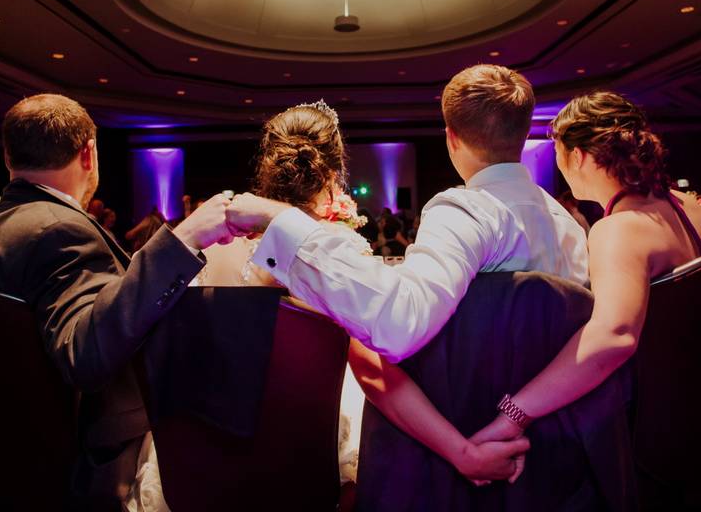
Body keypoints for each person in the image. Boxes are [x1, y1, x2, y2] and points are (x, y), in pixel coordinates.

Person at [126, 101, 530, 512]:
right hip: (301, 454)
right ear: (333, 175)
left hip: (206, 451)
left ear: (268, 165)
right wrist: (459, 449)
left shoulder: (212, 246)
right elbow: (374, 369)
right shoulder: (341, 254)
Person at [227, 65, 588, 475]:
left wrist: (281, 220)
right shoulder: (567, 225)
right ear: (524, 135)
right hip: (558, 440)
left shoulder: (466, 213)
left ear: (451, 138)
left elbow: (398, 325)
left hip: (464, 429)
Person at [0, 94, 236, 509]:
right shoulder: (63, 229)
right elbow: (87, 354)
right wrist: (183, 240)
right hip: (67, 475)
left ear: (8, 157)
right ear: (89, 153)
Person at [467, 91, 701, 449]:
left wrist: (514, 412)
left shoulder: (619, 229)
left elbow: (613, 337)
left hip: (656, 424)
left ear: (578, 155)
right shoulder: (688, 207)